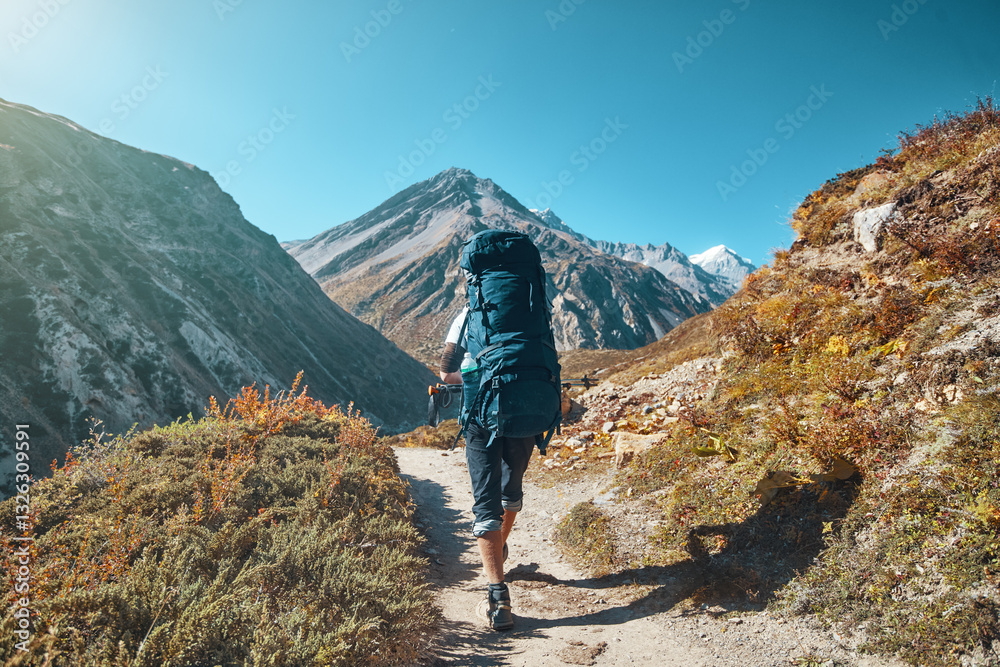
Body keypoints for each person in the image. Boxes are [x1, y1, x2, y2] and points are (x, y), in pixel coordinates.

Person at [439, 305, 536, 632]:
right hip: (525, 410)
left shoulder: (469, 313)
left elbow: (446, 373)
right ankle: (500, 545)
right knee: (511, 490)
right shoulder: (532, 306)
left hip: (481, 414)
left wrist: (478, 378)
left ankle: (498, 603)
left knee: (485, 503)